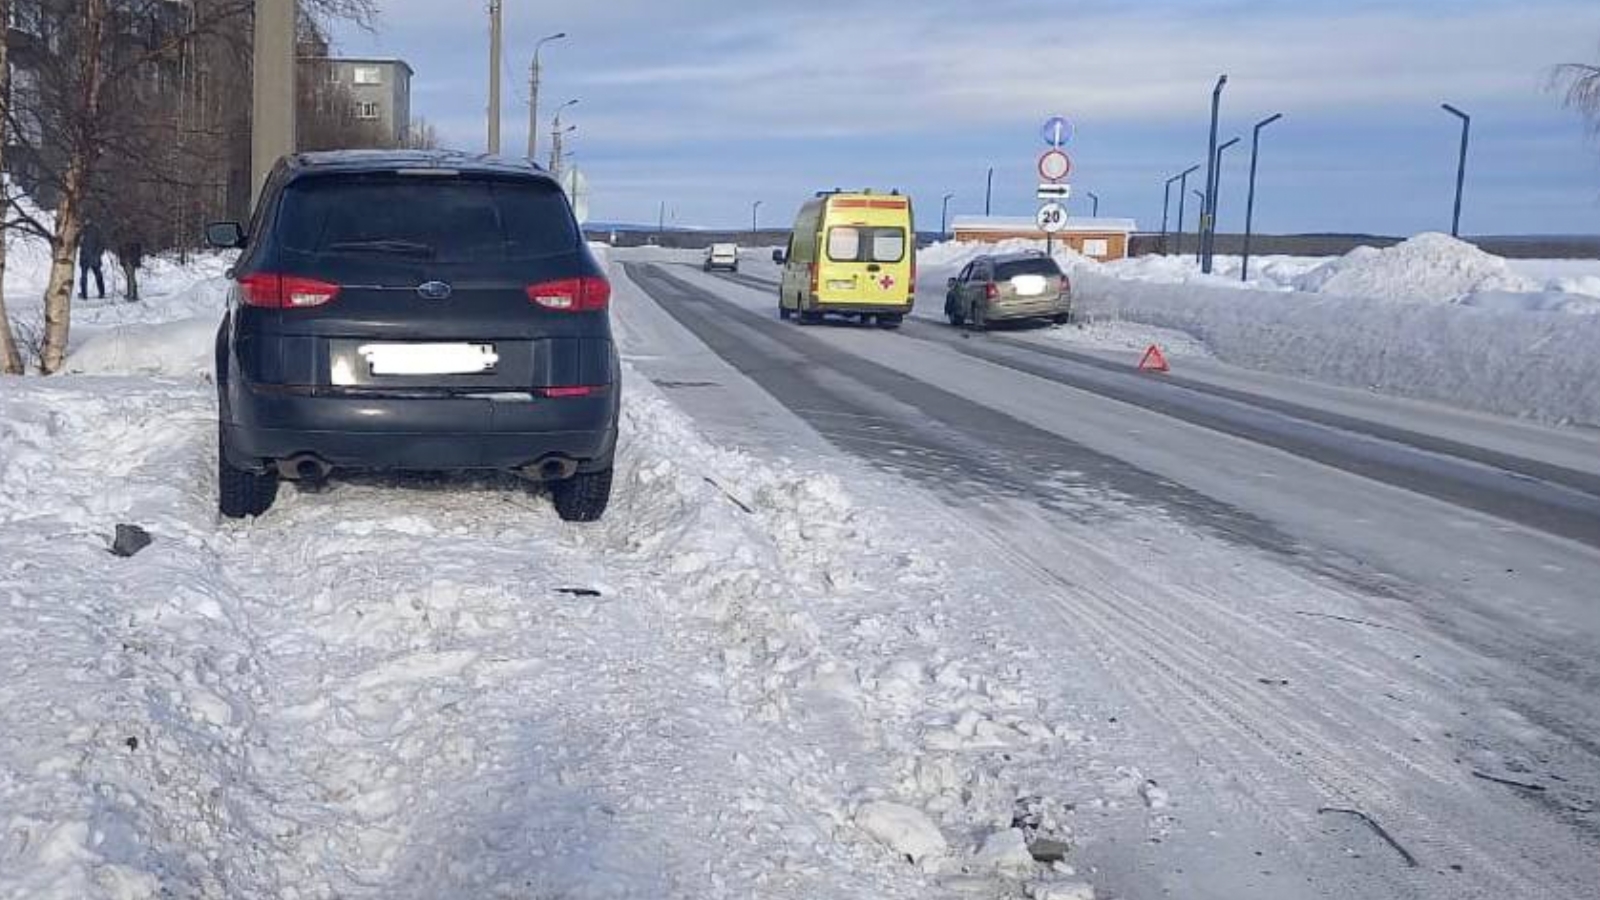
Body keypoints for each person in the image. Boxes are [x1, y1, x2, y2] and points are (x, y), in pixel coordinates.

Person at [78, 221, 106, 300]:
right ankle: (101, 292)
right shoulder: (94, 229)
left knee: (85, 276)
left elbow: (101, 243)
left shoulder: (84, 230)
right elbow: (102, 244)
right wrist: (98, 254)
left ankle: (84, 294)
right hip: (91, 257)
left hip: (87, 257)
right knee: (95, 275)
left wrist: (97, 254)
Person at [116, 237, 144, 303]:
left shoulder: (130, 238)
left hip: (129, 259)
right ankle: (133, 294)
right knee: (131, 277)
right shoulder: (133, 237)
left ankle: (131, 295)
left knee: (130, 277)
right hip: (129, 258)